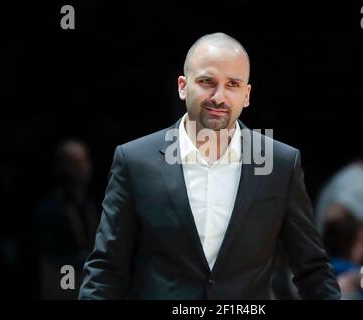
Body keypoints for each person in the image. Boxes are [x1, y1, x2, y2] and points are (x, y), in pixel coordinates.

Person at [78, 32, 341, 299]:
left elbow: (312, 270)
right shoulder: (135, 161)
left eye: (232, 84)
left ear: (247, 94)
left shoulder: (280, 164)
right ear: (183, 86)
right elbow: (107, 268)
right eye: (207, 81)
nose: (219, 96)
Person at [35, 139, 99, 299]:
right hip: (62, 286)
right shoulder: (50, 210)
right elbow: (47, 258)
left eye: (84, 161)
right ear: (61, 167)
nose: (82, 167)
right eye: (75, 162)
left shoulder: (93, 206)